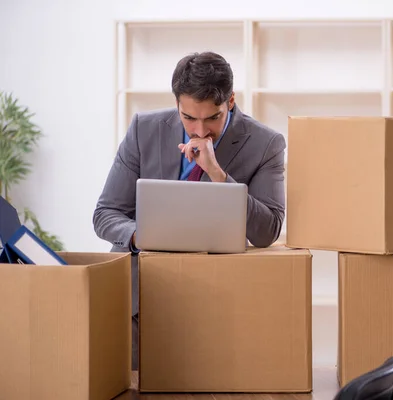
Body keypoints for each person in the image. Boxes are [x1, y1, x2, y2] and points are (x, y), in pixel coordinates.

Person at [92, 51, 286, 370]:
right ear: (177, 104)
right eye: (188, 118)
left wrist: (218, 175)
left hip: (217, 284)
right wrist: (142, 236)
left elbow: (268, 231)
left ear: (231, 102)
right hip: (143, 280)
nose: (200, 130)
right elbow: (106, 214)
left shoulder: (266, 144)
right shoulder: (144, 128)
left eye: (212, 118)